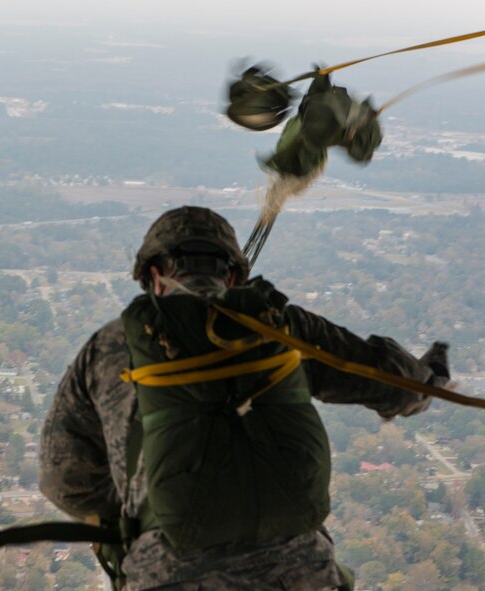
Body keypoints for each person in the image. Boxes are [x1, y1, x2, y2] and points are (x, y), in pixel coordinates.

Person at [39, 206, 449, 591]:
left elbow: (64, 482)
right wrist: (431, 377)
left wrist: (141, 511)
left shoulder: (108, 349)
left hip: (165, 577)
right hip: (300, 575)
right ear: (234, 276)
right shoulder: (276, 326)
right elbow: (393, 382)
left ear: (154, 275)